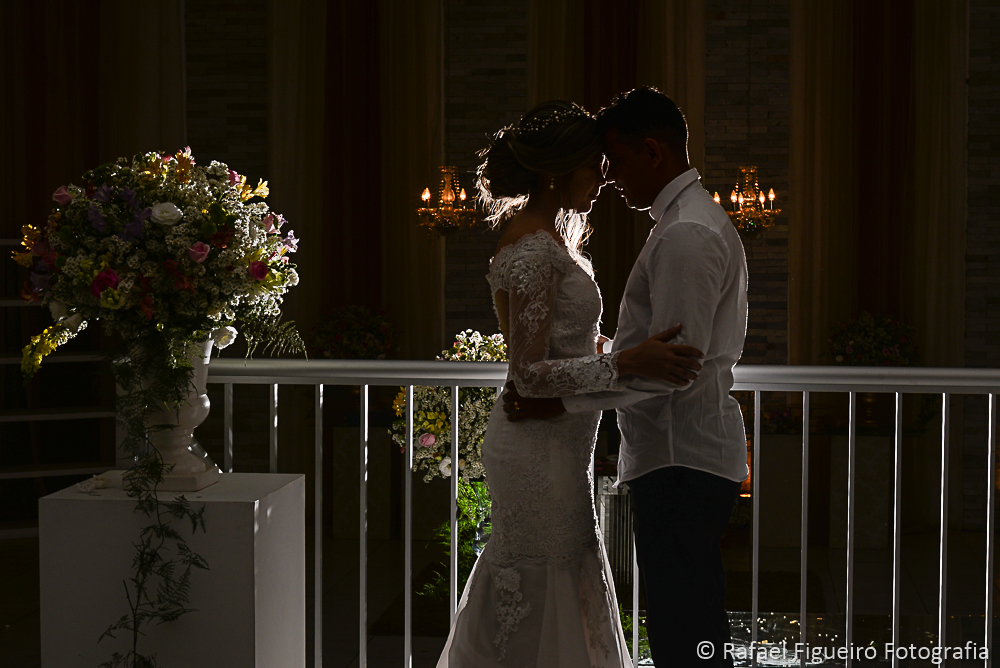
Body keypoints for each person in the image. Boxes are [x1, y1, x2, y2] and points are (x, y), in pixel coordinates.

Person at [436, 99, 704, 668]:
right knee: (543, 573)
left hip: (562, 443)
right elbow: (528, 375)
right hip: (536, 449)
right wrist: (626, 363)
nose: (603, 181)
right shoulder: (533, 249)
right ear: (558, 172)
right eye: (594, 169)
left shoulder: (554, 239)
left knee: (567, 567)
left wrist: (608, 351)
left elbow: (563, 347)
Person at [504, 87, 750, 667]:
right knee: (685, 621)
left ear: (653, 152)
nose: (609, 177)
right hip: (679, 454)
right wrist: (612, 353)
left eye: (614, 160)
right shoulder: (683, 222)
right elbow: (658, 351)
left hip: (678, 458)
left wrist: (557, 403)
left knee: (685, 632)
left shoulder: (686, 233)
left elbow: (671, 369)